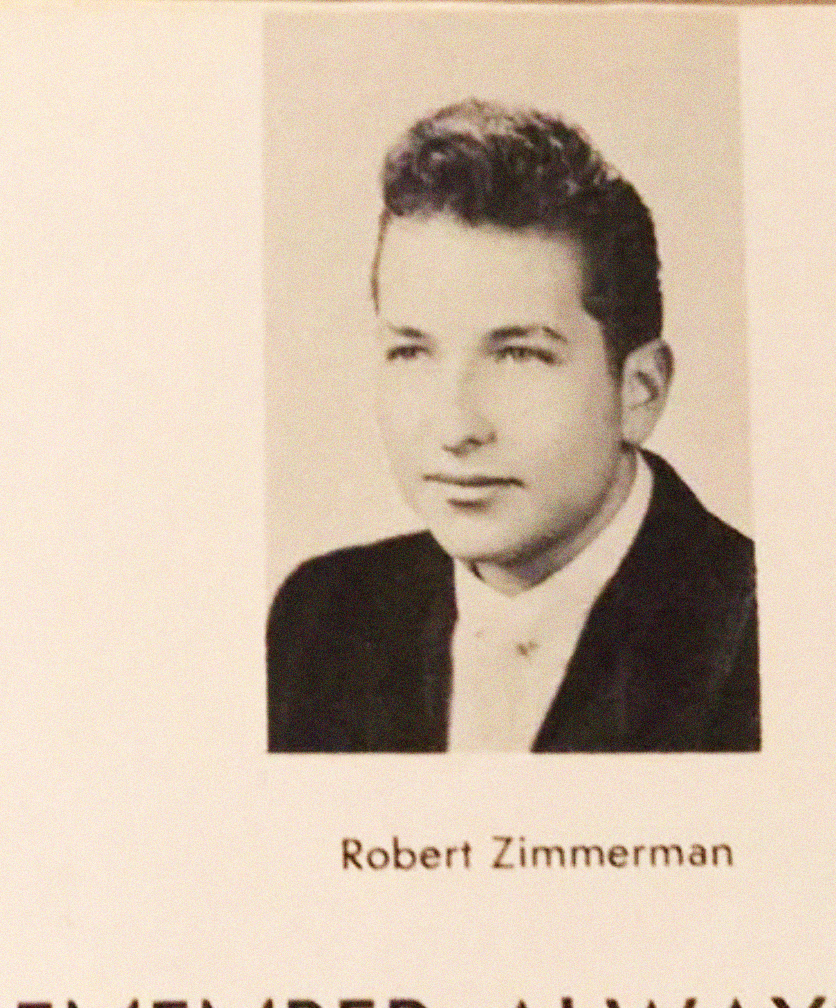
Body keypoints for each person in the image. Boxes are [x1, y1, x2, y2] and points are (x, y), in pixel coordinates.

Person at [268, 99, 759, 753]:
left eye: (519, 355)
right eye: (411, 351)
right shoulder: (321, 616)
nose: (455, 427)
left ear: (640, 391)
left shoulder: (772, 630)